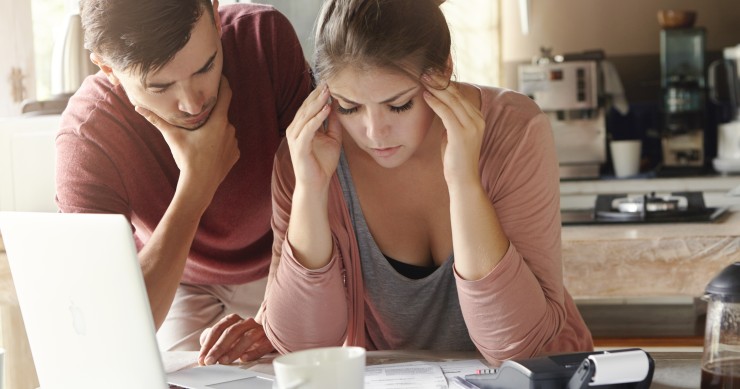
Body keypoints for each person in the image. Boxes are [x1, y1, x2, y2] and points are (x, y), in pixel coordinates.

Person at [257, 0, 594, 365]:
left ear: (444, 70)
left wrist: (464, 181)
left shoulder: (515, 130)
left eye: (399, 105)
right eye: (348, 107)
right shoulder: (308, 155)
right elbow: (301, 349)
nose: (374, 133)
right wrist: (310, 190)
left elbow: (517, 346)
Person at [55, 0, 312, 365]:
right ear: (108, 68)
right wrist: (196, 186)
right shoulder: (89, 134)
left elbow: (318, 194)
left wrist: (273, 317)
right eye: (160, 87)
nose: (193, 104)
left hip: (286, 258)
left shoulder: (262, 38)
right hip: (178, 277)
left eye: (206, 66)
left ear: (215, 10)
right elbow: (108, 324)